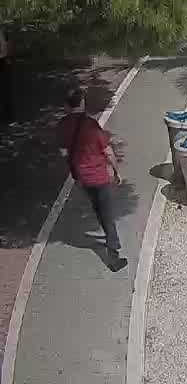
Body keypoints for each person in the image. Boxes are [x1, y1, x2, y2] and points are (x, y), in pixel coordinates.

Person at [55, 87, 127, 271]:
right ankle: (113, 254)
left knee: (97, 208)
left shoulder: (62, 125)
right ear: (82, 103)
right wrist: (117, 171)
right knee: (107, 213)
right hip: (99, 177)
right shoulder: (91, 125)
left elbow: (63, 150)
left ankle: (109, 238)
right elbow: (108, 151)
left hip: (81, 178)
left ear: (66, 106)